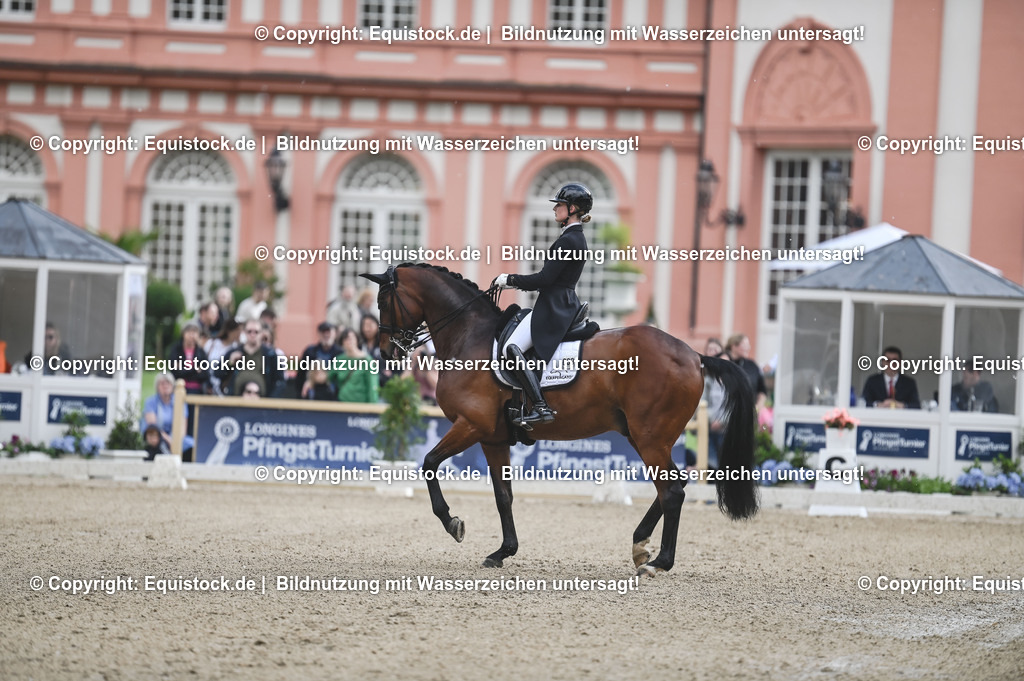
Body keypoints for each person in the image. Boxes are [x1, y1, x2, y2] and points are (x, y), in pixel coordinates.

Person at [493, 182, 593, 427]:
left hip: (554, 306)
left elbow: (545, 279)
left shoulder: (569, 241)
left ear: (573, 208)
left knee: (512, 348)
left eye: (559, 204)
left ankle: (540, 407)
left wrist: (510, 280)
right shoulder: (573, 237)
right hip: (560, 302)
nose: (555, 208)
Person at [216, 319, 284, 397]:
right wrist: (230, 362)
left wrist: (270, 401)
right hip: (235, 401)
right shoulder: (234, 351)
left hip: (262, 402)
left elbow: (280, 381)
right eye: (249, 331)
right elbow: (217, 374)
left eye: (256, 332)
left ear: (261, 333)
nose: (252, 334)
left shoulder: (270, 354)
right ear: (244, 332)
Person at [141, 373, 193, 460]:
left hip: (175, 437)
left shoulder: (180, 401)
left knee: (190, 444)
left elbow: (182, 428)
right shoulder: (151, 402)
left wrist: (175, 441)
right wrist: (169, 441)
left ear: (172, 386)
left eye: (168, 383)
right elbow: (153, 428)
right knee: (161, 444)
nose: (165, 386)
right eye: (162, 383)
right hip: (158, 436)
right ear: (157, 387)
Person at [328, 328, 379, 403]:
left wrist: (373, 409)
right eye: (346, 339)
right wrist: (310, 381)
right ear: (342, 342)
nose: (349, 341)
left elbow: (372, 386)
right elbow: (328, 377)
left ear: (357, 340)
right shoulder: (339, 360)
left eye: (352, 338)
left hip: (360, 405)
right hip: (343, 403)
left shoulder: (367, 360)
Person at [701, 350, 731, 468]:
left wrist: (722, 422)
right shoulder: (709, 381)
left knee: (727, 465)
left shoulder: (734, 384)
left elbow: (733, 407)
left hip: (727, 431)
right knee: (712, 464)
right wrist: (712, 420)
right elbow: (703, 403)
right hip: (710, 428)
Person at [297, 322, 343, 397]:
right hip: (312, 391)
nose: (326, 335)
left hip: (334, 392)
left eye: (329, 332)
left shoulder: (340, 353)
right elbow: (300, 375)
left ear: (334, 334)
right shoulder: (310, 352)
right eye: (323, 332)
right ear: (318, 334)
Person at [725, 333, 768, 413]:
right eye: (745, 345)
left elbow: (762, 390)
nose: (748, 348)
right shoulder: (725, 363)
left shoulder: (752, 365)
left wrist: (758, 407)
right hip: (727, 413)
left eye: (748, 345)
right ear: (733, 346)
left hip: (749, 412)